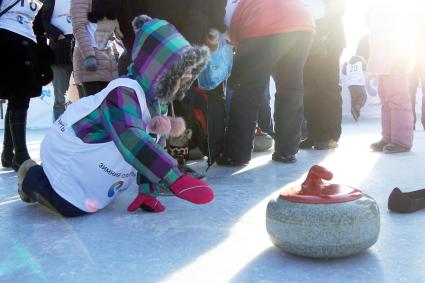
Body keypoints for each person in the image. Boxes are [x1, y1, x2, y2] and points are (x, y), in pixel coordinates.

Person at [17, 15, 213, 217]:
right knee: (69, 204)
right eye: (182, 68)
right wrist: (174, 178)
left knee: (96, 199)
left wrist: (147, 191)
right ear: (159, 68)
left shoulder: (157, 104)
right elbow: (131, 138)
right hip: (71, 157)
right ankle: (31, 175)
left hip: (97, 168)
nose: (189, 75)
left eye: (191, 70)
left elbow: (152, 144)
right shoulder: (123, 93)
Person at [217, 0, 315, 165]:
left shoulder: (229, 6)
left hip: (262, 27)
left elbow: (230, 32)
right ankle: (287, 151)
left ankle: (236, 155)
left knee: (246, 91)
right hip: (303, 25)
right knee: (290, 90)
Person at [0, 0, 53, 171]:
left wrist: (44, 62)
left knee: (19, 96)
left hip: (28, 43)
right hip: (6, 39)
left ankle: (9, 153)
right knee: (19, 95)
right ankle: (20, 155)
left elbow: (39, 28)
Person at [368, 0, 416, 153]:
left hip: (396, 58)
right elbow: (375, 39)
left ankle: (401, 140)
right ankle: (388, 137)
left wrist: (401, 57)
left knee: (398, 99)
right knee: (386, 101)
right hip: (383, 62)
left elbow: (403, 30)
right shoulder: (377, 10)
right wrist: (371, 68)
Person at [300, 0, 346, 150]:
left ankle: (330, 135)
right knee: (309, 90)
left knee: (327, 88)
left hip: (328, 34)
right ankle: (314, 133)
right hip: (307, 32)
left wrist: (326, 31)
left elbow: (338, 7)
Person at [70, 0, 118, 96]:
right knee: (94, 106)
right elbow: (78, 27)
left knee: (108, 105)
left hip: (108, 59)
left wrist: (115, 51)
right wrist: (89, 56)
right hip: (90, 60)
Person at [40, 0, 74, 120]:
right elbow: (43, 20)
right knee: (60, 98)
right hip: (59, 50)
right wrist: (57, 35)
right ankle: (59, 131)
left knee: (84, 95)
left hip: (80, 48)